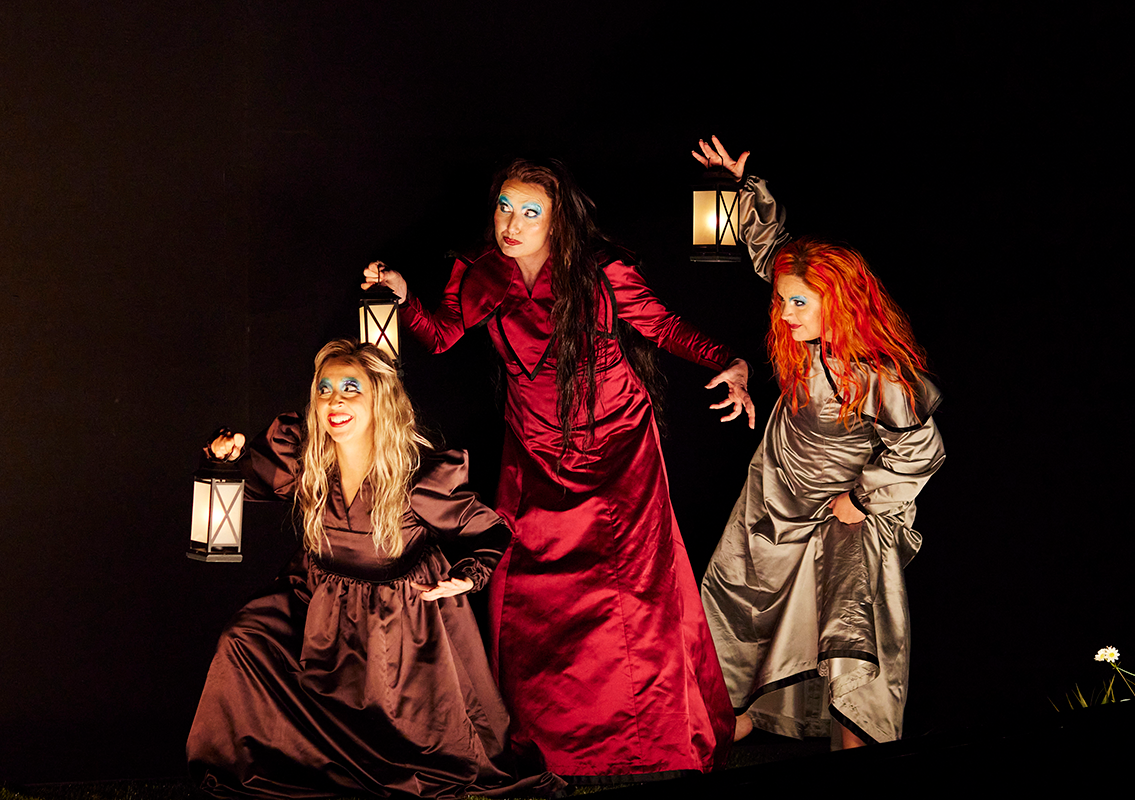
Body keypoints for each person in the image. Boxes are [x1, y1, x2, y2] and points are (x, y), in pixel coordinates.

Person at [362, 158, 747, 780]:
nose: (512, 224)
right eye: (504, 208)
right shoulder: (482, 275)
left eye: (529, 212)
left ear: (557, 220)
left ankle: (650, 742)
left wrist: (725, 359)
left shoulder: (601, 272)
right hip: (535, 450)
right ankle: (553, 744)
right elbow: (439, 336)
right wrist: (405, 299)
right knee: (536, 595)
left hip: (620, 441)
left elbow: (662, 324)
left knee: (633, 593)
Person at [186, 340, 563, 799]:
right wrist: (230, 457)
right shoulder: (308, 463)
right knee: (243, 640)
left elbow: (489, 532)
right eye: (324, 390)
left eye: (350, 388)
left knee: (393, 738)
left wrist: (468, 576)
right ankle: (281, 758)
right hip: (318, 605)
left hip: (397, 623)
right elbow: (251, 479)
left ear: (379, 400)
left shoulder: (417, 478)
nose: (335, 400)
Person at [694, 137, 945, 748]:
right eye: (782, 302)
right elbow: (772, 253)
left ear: (841, 303)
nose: (783, 314)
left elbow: (922, 448)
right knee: (752, 610)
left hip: (843, 515)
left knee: (844, 639)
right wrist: (741, 188)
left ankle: (850, 740)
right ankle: (740, 715)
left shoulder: (872, 370)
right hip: (778, 493)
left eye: (799, 304)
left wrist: (862, 501)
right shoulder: (802, 330)